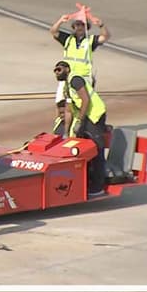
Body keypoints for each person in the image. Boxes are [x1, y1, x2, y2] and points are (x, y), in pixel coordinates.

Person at [53, 60, 109, 196]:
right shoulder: (66, 86)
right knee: (81, 144)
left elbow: (86, 100)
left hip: (94, 115)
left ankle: (98, 186)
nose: (57, 73)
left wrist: (79, 121)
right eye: (55, 71)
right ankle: (86, 178)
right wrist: (66, 132)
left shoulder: (75, 80)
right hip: (86, 116)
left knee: (96, 147)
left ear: (67, 69)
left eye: (59, 69)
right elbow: (68, 110)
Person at [49, 10, 111, 118]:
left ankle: (81, 124)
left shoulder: (90, 40)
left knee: (83, 104)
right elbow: (53, 31)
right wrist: (60, 21)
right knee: (61, 102)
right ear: (73, 27)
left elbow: (105, 37)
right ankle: (60, 125)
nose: (79, 27)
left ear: (86, 27)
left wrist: (101, 25)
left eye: (82, 25)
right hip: (67, 77)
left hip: (83, 78)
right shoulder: (68, 39)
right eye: (77, 25)